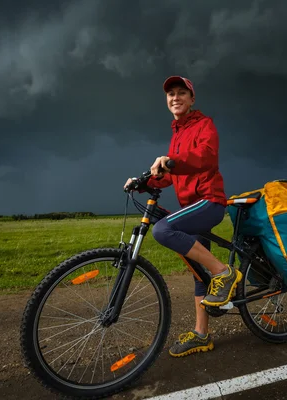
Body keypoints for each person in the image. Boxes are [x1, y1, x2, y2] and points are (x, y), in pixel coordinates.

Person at [124, 76, 242, 357]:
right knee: (197, 273)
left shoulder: (204, 124)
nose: (175, 98)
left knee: (163, 230)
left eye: (181, 93)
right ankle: (202, 335)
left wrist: (171, 162)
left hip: (209, 202)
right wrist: (145, 183)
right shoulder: (176, 133)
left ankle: (224, 273)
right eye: (170, 94)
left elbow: (206, 158)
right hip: (191, 207)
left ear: (191, 99)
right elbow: (170, 174)